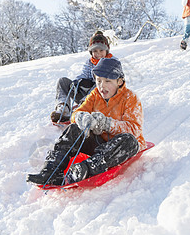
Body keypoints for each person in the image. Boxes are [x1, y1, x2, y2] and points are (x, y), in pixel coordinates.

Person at [27, 58, 146, 186]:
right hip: (98, 142)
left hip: (117, 148)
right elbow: (77, 112)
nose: (102, 85)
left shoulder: (130, 98)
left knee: (129, 140)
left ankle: (84, 170)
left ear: (119, 81)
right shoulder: (95, 95)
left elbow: (134, 129)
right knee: (73, 129)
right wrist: (80, 117)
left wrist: (107, 123)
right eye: (99, 80)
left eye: (107, 81)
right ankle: (51, 170)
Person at [50, 31, 118, 123]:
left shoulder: (112, 62)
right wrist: (78, 81)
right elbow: (84, 74)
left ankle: (83, 108)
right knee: (63, 81)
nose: (98, 54)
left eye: (101, 50)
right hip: (87, 96)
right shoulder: (90, 62)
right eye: (95, 51)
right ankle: (63, 109)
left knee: (100, 83)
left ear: (107, 50)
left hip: (104, 98)